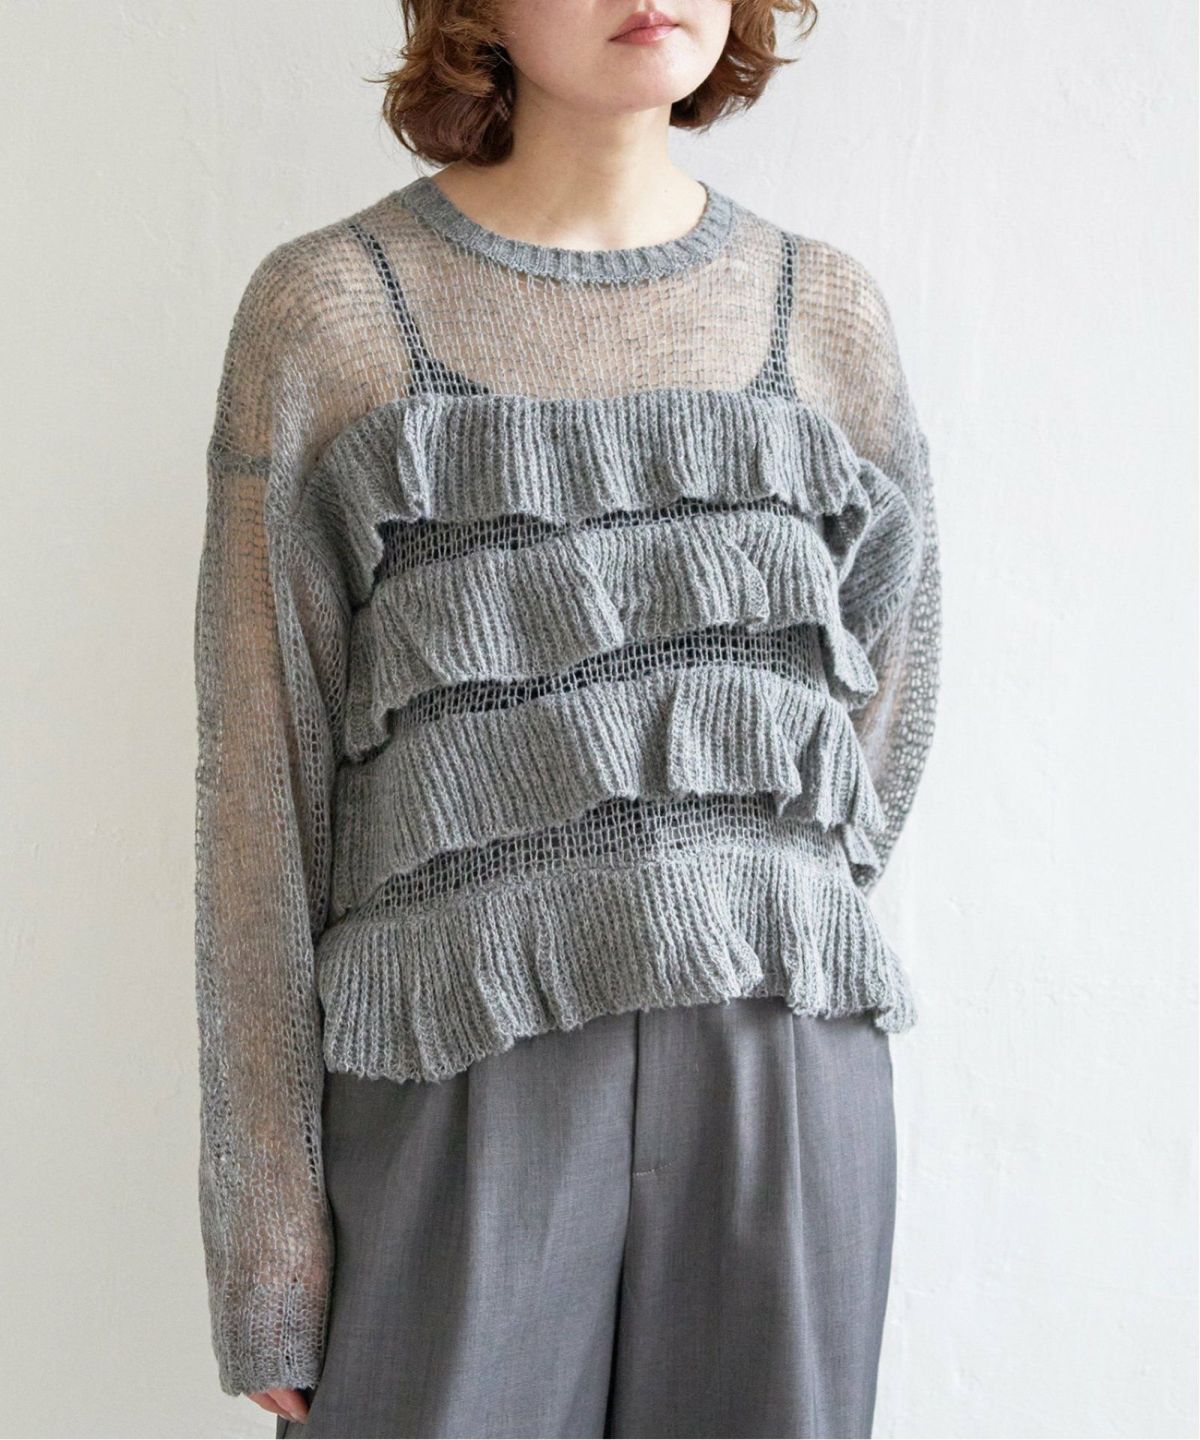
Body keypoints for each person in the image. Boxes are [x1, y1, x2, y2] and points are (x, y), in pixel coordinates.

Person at [191, 1, 942, 1435]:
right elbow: (257, 792)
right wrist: (266, 1241)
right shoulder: (333, 310)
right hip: (452, 1068)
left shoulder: (825, 313)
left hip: (778, 1072)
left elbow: (882, 712)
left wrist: (738, 898)